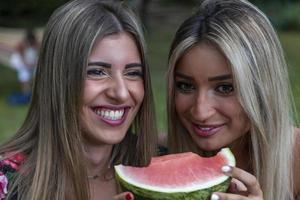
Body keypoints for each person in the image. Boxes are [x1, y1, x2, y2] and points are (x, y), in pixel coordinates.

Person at [0, 0, 157, 199]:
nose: (122, 93)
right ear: (58, 79)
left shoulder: (158, 165)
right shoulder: (6, 181)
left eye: (133, 73)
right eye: (97, 72)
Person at [166, 0, 300, 199]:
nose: (201, 112)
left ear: (262, 90)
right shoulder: (154, 155)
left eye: (225, 88)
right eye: (186, 86)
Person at [9, 29, 39, 96]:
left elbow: (36, 54)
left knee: (36, 72)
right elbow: (22, 57)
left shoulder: (36, 43)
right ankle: (26, 92)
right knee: (24, 73)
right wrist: (28, 64)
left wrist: (33, 63)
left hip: (31, 61)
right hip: (20, 61)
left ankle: (33, 91)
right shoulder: (22, 44)